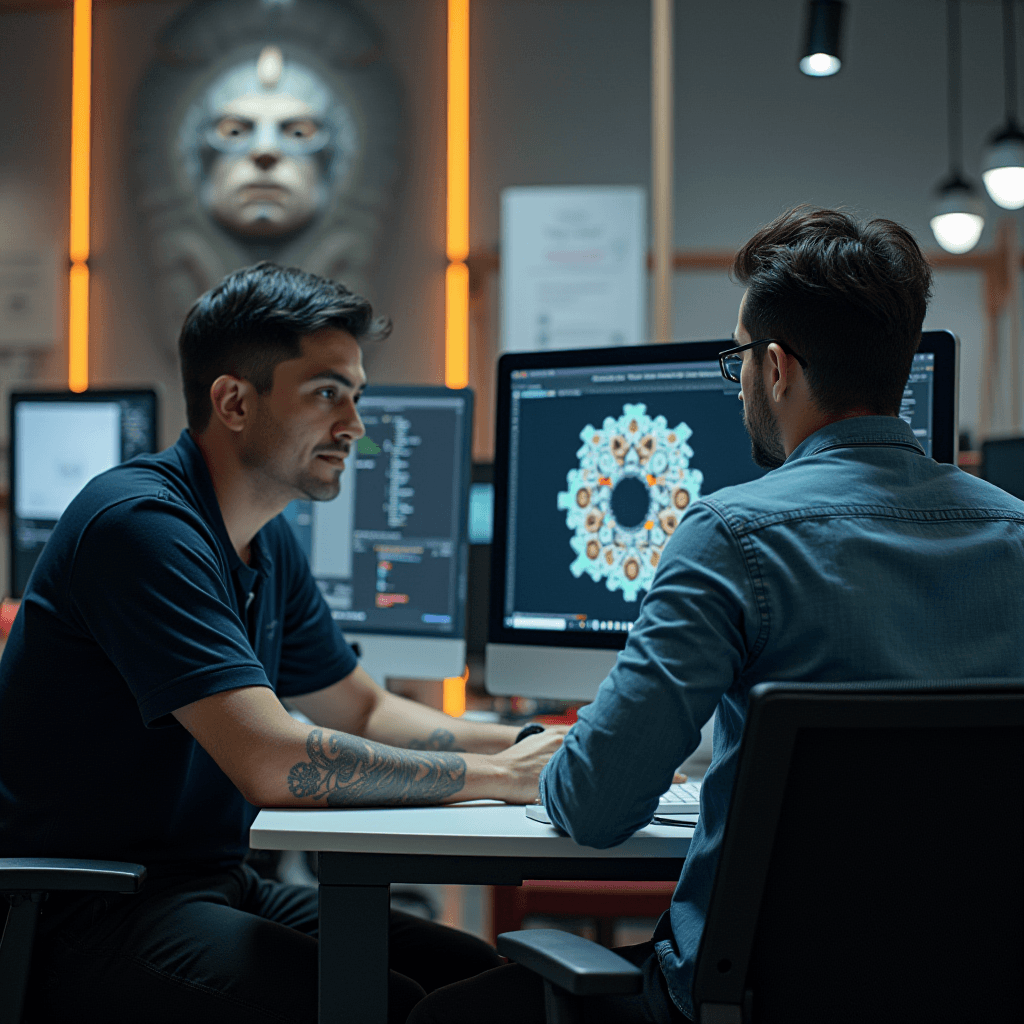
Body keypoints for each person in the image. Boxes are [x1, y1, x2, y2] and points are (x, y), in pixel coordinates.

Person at [406, 207, 1024, 1024]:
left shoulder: (733, 535)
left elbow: (595, 808)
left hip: (754, 999)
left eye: (737, 359)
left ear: (775, 367)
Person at [0, 263, 565, 1024]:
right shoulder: (138, 528)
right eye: (328, 393)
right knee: (384, 1004)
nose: (355, 426)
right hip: (81, 911)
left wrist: (540, 744)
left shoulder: (264, 544)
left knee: (467, 976)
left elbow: (362, 712)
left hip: (208, 883)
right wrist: (498, 778)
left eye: (356, 396)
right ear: (234, 400)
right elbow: (276, 762)